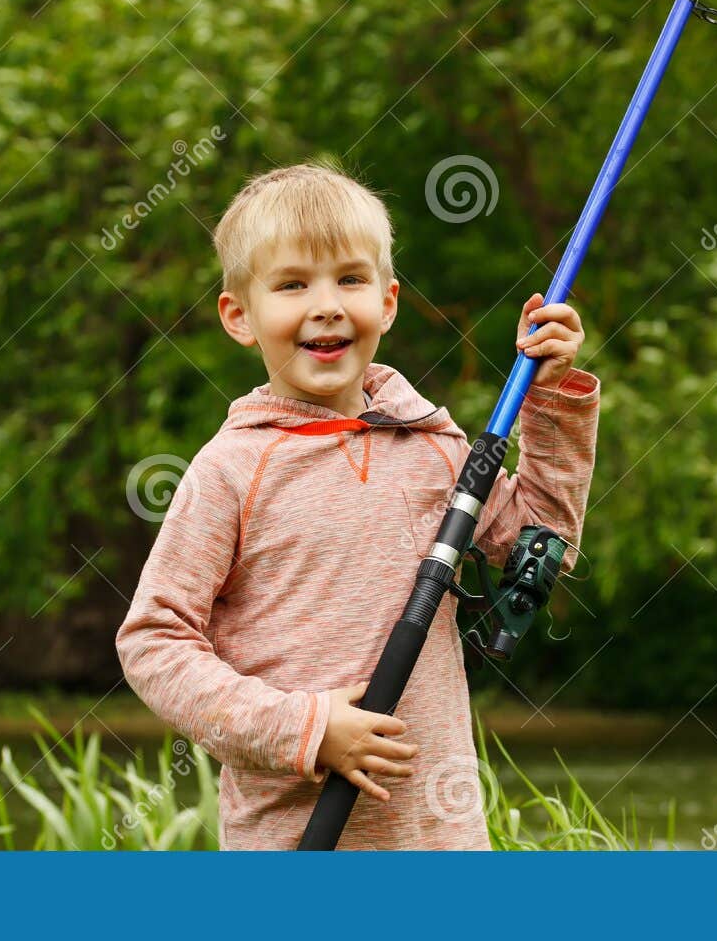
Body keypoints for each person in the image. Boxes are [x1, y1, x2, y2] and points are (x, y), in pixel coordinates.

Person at [115, 160, 601, 849]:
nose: (327, 304)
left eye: (350, 278)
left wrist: (551, 395)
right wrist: (303, 728)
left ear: (389, 300)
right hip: (295, 841)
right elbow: (154, 641)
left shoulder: (432, 444)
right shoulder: (230, 469)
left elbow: (544, 540)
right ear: (239, 316)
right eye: (291, 284)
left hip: (441, 841)